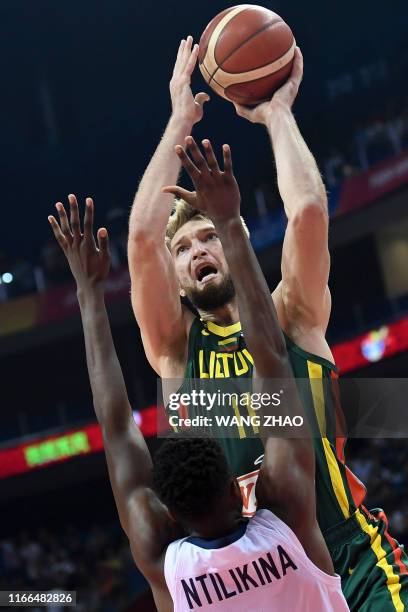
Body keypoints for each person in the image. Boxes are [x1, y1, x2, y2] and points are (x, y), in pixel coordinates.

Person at [128, 36, 408, 610]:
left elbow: (306, 212)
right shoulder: (177, 351)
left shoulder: (293, 317)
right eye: (182, 248)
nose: (198, 250)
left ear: (238, 242)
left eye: (210, 236)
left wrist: (277, 114)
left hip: (350, 556)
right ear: (177, 276)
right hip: (254, 582)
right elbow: (138, 241)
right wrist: (181, 117)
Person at [48, 184, 348, 611]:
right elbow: (272, 361)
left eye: (208, 239)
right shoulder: (286, 515)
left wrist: (87, 295)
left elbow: (114, 428)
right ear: (240, 491)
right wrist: (230, 223)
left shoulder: (169, 569)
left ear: (170, 515)